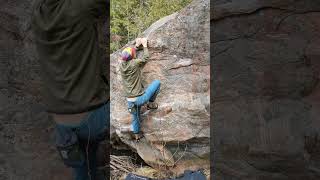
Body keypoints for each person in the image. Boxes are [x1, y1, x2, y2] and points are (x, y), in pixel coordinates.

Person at [31, 0, 109, 180]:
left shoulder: (38, 14)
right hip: (93, 117)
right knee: (128, 106)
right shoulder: (81, 7)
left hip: (62, 122)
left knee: (84, 170)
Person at [120, 38, 161, 141]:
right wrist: (145, 46)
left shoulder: (121, 65)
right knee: (157, 83)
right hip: (140, 99)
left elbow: (127, 56)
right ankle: (151, 104)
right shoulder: (135, 63)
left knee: (135, 117)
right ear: (132, 57)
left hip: (130, 101)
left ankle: (137, 135)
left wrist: (137, 46)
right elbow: (145, 58)